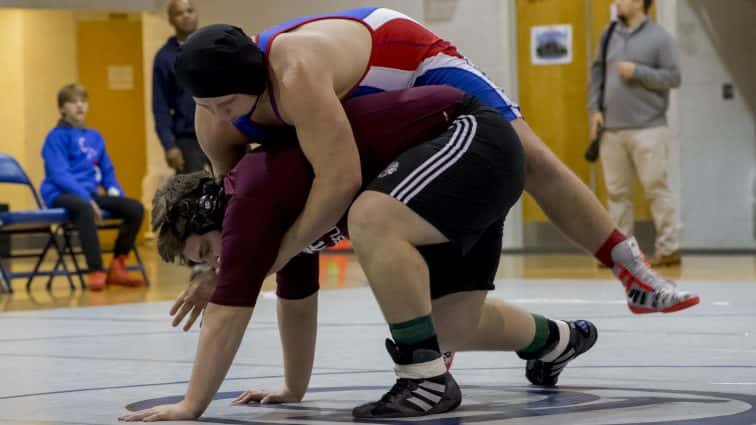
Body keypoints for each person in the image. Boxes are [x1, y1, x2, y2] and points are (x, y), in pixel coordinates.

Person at [119, 86, 598, 422]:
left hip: (469, 137)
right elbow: (297, 300)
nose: (213, 263)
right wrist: (294, 387)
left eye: (204, 251)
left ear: (208, 212)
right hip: (460, 165)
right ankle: (558, 340)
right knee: (449, 326)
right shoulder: (275, 210)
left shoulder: (249, 197)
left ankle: (423, 378)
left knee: (372, 220)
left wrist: (190, 407)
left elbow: (228, 313)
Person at [173, 10, 699, 315]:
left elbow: (339, 180)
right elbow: (242, 209)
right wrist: (214, 265)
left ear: (259, 81)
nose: (220, 115)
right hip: (351, 104)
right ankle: (434, 333)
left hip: (403, 59)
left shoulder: (294, 74)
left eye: (229, 104)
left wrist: (271, 259)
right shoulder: (213, 123)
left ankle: (632, 272)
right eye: (209, 107)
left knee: (531, 158)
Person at [589, 0, 682, 267]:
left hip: (649, 127)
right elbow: (597, 74)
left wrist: (638, 72)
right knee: (617, 193)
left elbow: (674, 77)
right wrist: (594, 108)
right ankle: (621, 252)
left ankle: (668, 248)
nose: (617, 2)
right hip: (611, 129)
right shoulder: (608, 34)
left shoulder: (660, 37)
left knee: (656, 187)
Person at [40, 83, 145, 290]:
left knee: (135, 208)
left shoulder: (95, 137)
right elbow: (59, 174)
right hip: (60, 193)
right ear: (62, 108)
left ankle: (118, 265)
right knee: (85, 208)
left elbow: (107, 172)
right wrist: (86, 198)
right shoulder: (55, 137)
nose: (79, 106)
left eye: (83, 101)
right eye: (72, 102)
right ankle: (96, 269)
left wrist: (117, 194)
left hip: (89, 194)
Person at [152, 0, 208, 174]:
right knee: (195, 192)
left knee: (233, 187)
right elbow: (160, 106)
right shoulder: (164, 58)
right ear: (170, 20)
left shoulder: (211, 47)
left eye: (189, 11)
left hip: (220, 130)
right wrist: (169, 145)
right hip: (188, 138)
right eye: (179, 13)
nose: (186, 16)